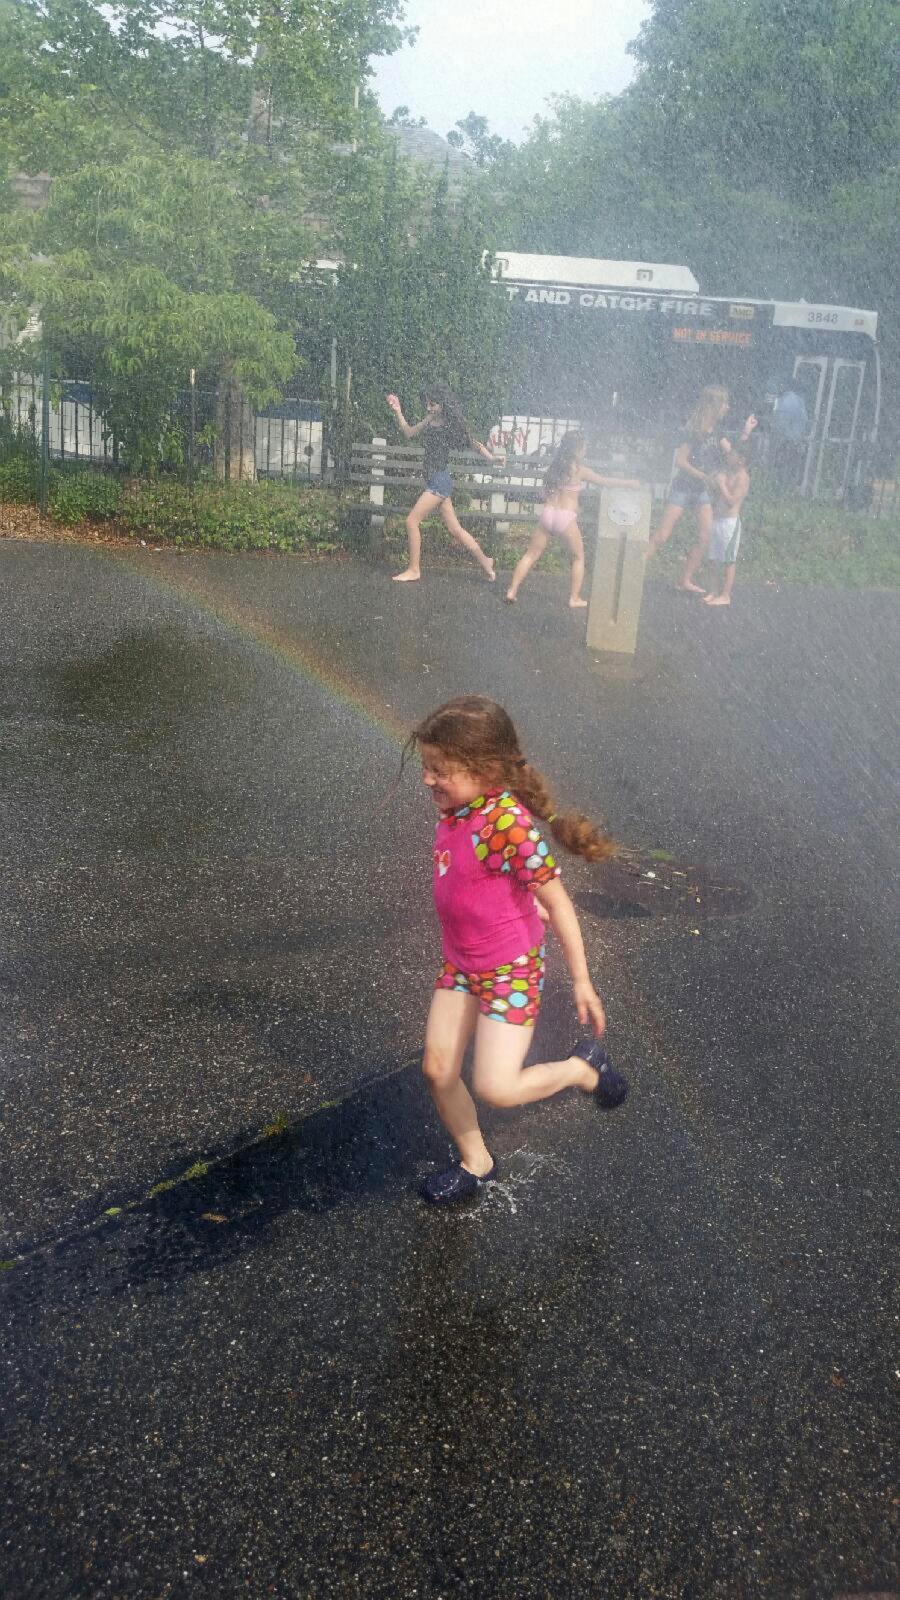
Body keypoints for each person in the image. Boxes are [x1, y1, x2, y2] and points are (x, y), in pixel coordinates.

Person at [409, 695, 629, 1207]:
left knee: (497, 1088)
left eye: (440, 770)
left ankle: (582, 1069)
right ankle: (476, 1162)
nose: (428, 780)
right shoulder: (459, 809)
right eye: (427, 767)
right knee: (438, 1070)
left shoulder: (509, 825)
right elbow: (490, 881)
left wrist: (580, 980)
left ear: (486, 771)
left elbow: (560, 901)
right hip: (462, 963)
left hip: (510, 972)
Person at [504, 431, 641, 608]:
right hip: (565, 518)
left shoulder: (554, 468)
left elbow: (543, 493)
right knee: (578, 556)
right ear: (576, 450)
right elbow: (604, 481)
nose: (585, 450)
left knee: (530, 555)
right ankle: (574, 598)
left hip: (548, 513)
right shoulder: (579, 471)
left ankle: (512, 590)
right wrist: (630, 484)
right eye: (584, 448)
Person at [385, 383, 500, 583]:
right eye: (428, 404)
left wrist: (491, 458)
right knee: (455, 529)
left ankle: (414, 569)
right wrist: (398, 411)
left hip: (439, 481)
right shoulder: (430, 421)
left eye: (433, 404)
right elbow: (409, 433)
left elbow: (473, 442)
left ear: (443, 404)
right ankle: (486, 561)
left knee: (412, 521)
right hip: (435, 479)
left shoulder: (449, 425)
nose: (429, 408)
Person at [646, 385, 730, 591]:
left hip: (701, 491)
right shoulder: (693, 430)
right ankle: (634, 569)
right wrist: (703, 475)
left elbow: (731, 452)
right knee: (663, 535)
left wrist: (745, 434)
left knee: (705, 536)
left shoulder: (718, 431)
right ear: (714, 405)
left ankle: (685, 579)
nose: (727, 408)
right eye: (724, 404)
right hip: (683, 488)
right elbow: (681, 462)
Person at [701, 440, 751, 607]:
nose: (728, 456)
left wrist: (721, 484)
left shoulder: (743, 478)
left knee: (728, 560)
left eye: (732, 454)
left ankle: (725, 595)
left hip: (730, 523)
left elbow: (731, 501)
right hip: (718, 519)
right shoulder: (728, 472)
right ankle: (713, 591)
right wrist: (714, 482)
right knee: (714, 558)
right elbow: (717, 493)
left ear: (741, 459)